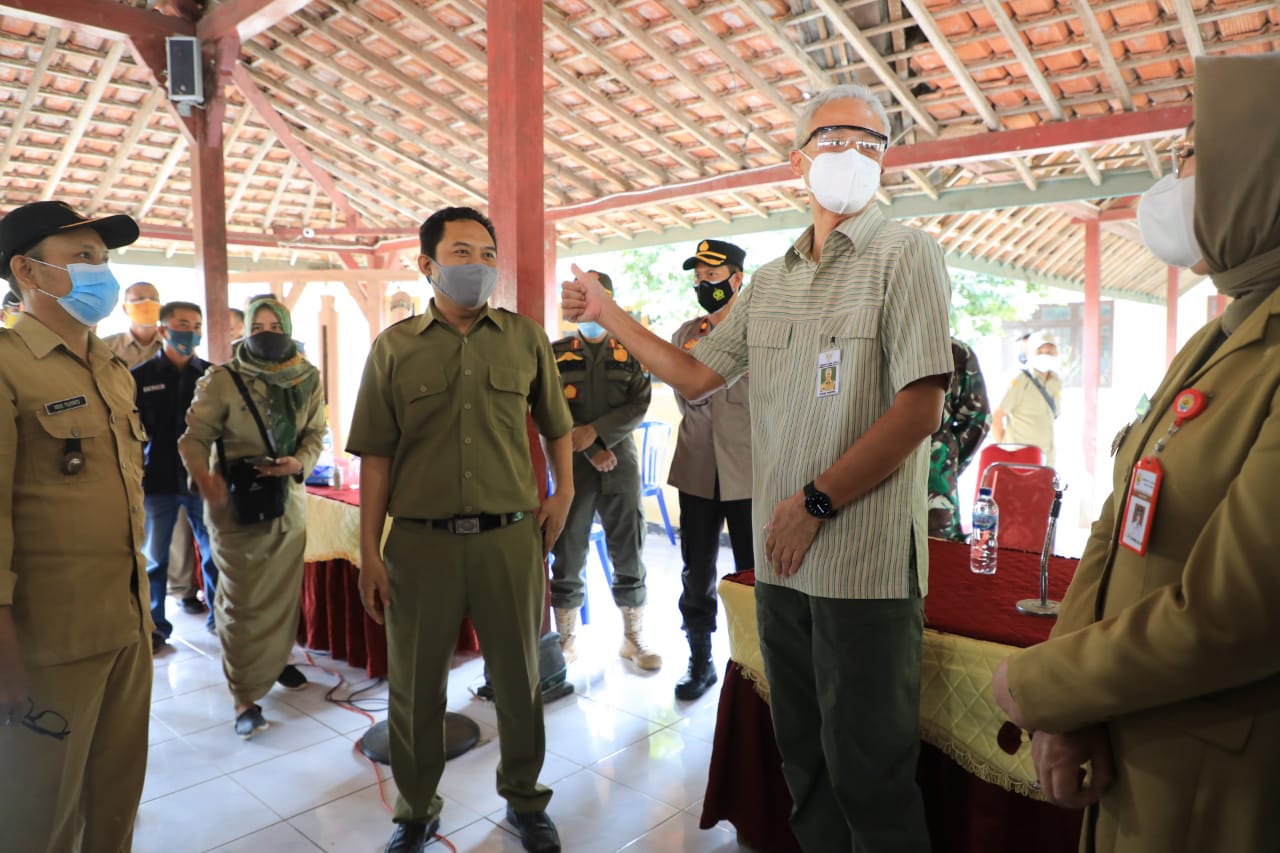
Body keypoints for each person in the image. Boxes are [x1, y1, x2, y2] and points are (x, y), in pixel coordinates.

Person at [563, 83, 951, 852]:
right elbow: (697, 374)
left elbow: (920, 410)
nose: (853, 155)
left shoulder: (906, 254)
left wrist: (814, 503)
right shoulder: (770, 283)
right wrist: (608, 315)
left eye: (871, 143)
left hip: (861, 569)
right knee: (804, 763)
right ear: (798, 159)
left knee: (870, 776)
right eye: (835, 138)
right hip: (782, 566)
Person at [992, 55, 1280, 853]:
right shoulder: (1218, 336)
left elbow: (1235, 613)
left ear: (1261, 171)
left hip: (1212, 785)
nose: (1173, 181)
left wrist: (1039, 684)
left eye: (1190, 156)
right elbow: (1118, 522)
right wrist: (1070, 706)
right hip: (1131, 748)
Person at [347, 206, 571, 853]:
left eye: (486, 254)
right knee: (415, 685)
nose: (476, 265)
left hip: (510, 538)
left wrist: (562, 493)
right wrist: (369, 549)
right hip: (419, 543)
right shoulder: (394, 347)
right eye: (461, 252)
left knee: (519, 677)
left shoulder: (525, 339)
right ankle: (416, 810)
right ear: (428, 264)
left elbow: (557, 425)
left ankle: (526, 800)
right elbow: (377, 457)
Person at [0, 200, 151, 850]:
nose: (101, 273)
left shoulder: (113, 369)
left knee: (115, 803)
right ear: (26, 272)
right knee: (40, 818)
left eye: (103, 258)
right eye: (82, 257)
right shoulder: (7, 366)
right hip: (49, 642)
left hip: (128, 624)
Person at [178, 297, 326, 738]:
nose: (264, 332)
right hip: (234, 506)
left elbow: (316, 431)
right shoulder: (221, 379)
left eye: (273, 325)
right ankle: (244, 695)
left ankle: (276, 663)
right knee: (242, 601)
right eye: (256, 325)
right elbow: (193, 438)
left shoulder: (307, 376)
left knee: (282, 595)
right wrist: (204, 477)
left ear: (287, 327)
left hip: (287, 503)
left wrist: (298, 462)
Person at [549, 271, 660, 671]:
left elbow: (638, 405)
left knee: (629, 550)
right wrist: (591, 448)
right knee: (568, 551)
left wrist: (596, 434)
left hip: (621, 465)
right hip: (573, 467)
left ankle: (634, 638)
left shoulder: (630, 351)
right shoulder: (556, 352)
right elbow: (550, 411)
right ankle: (565, 640)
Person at [667, 238, 754, 701]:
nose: (703, 283)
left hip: (750, 472)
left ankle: (756, 664)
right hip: (699, 468)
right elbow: (688, 395)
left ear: (737, 279)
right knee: (695, 568)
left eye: (712, 275)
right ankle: (700, 661)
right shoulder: (686, 335)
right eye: (698, 275)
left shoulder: (763, 331)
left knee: (753, 572)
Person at [134, 301, 219, 647]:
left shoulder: (213, 376)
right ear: (164, 330)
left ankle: (220, 618)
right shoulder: (140, 377)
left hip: (203, 481)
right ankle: (155, 626)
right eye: (183, 323)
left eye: (197, 324)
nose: (192, 331)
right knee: (155, 559)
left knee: (215, 554)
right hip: (158, 481)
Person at [927, 339, 990, 541]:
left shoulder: (955, 352)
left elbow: (977, 419)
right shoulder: (867, 347)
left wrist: (943, 460)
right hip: (872, 481)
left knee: (940, 559)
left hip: (935, 489)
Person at [991, 330, 1061, 467]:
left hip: (1047, 461)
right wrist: (1007, 451)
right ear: (1029, 354)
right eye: (1040, 351)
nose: (1046, 355)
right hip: (1021, 461)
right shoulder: (1019, 380)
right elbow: (996, 417)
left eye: (1050, 351)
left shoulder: (1056, 381)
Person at [102, 280, 162, 367]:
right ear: (125, 308)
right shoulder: (106, 347)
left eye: (154, 299)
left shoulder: (174, 346)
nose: (148, 304)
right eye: (140, 299)